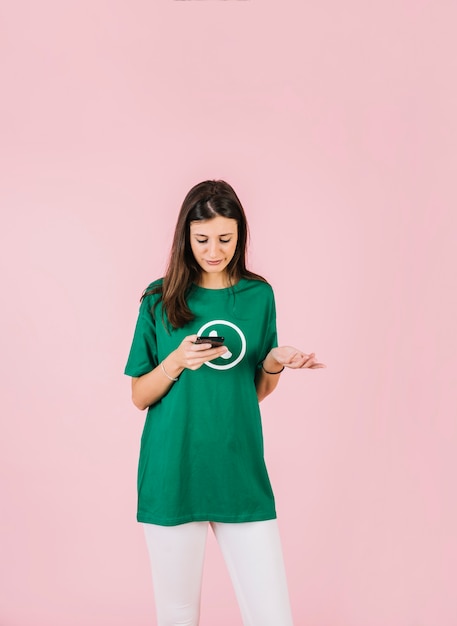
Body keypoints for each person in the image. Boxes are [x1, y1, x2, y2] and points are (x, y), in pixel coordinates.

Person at [124, 179, 325, 626]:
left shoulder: (258, 296)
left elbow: (252, 393)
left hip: (240, 471)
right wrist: (176, 360)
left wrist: (273, 361)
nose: (213, 250)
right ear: (185, 237)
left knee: (272, 615)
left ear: (240, 235)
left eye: (225, 239)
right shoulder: (160, 299)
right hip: (173, 473)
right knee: (177, 615)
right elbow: (139, 395)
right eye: (202, 240)